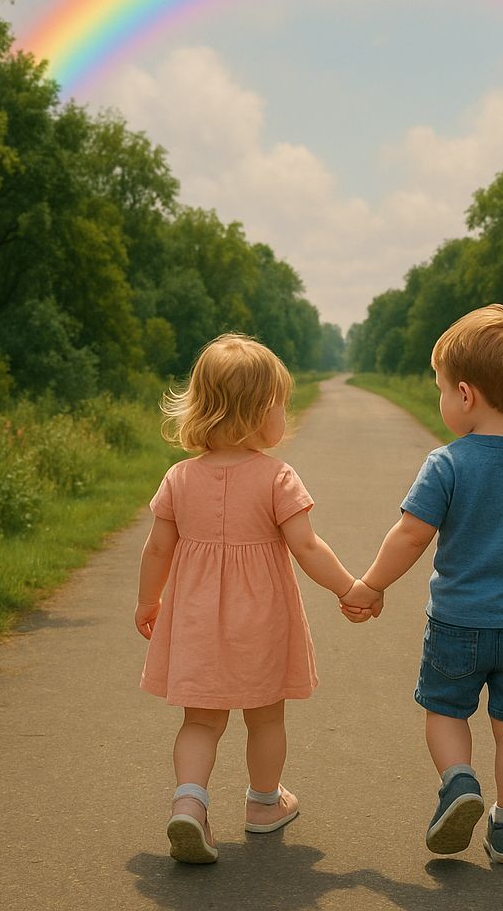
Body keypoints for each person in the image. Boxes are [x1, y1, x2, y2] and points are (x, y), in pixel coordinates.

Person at [341, 305, 503, 864]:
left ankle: (459, 783)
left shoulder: (447, 464)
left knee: (446, 712)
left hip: (458, 625)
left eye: (439, 390)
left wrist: (371, 584)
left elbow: (411, 535)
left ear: (464, 394)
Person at [135, 333, 361, 864]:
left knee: (200, 721)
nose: (286, 414)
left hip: (195, 623)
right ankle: (263, 804)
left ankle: (189, 804)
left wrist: (149, 601)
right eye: (282, 404)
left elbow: (156, 549)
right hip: (262, 623)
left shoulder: (179, 478)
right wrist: (349, 588)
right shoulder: (278, 477)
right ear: (262, 413)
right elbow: (306, 545)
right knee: (265, 719)